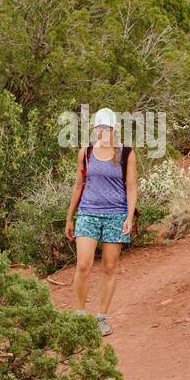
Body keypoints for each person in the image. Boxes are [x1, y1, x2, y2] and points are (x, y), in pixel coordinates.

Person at [65, 107, 137, 336]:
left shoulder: (126, 153)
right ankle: (79, 316)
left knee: (109, 266)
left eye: (107, 127)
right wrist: (70, 217)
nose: (103, 132)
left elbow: (131, 187)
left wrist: (129, 216)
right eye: (99, 128)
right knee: (83, 265)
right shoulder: (86, 152)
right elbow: (78, 186)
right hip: (88, 212)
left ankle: (102, 318)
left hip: (115, 214)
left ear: (115, 128)